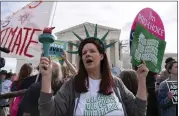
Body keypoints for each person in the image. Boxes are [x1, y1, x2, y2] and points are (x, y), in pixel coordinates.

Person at [39, 37, 148, 116]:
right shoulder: (72, 85)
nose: (87, 54)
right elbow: (49, 113)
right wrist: (46, 78)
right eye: (84, 53)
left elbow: (138, 111)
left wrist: (142, 80)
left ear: (101, 56)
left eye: (92, 51)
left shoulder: (116, 83)